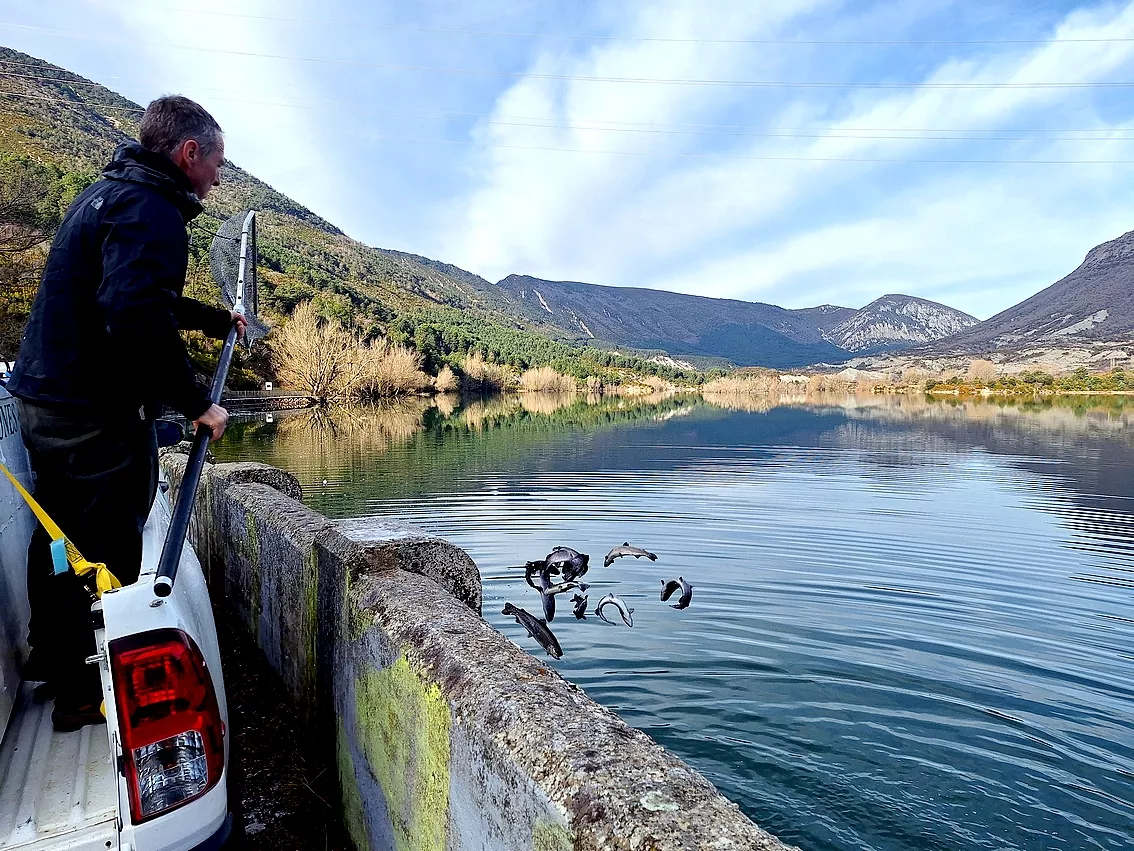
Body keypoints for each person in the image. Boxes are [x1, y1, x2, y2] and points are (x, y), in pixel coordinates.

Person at [6, 95, 246, 731]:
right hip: (88, 409)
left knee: (60, 533)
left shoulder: (109, 193)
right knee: (108, 541)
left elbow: (138, 294)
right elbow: (133, 316)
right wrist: (198, 404)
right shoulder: (152, 209)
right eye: (219, 160)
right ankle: (86, 691)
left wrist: (216, 319)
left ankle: (53, 657)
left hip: (46, 398)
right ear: (189, 153)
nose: (221, 175)